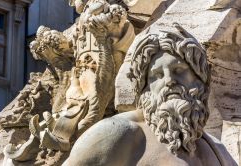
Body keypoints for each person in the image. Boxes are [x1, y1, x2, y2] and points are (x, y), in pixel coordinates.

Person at [62, 24, 237, 166]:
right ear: (144, 87)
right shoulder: (118, 134)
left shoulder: (218, 150)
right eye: (157, 75)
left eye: (178, 70)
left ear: (201, 79)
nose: (169, 81)